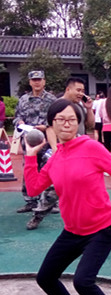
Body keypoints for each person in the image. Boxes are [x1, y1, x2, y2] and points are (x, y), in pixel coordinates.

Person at [23, 98, 111, 295]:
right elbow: (34, 188)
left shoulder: (92, 147)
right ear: (51, 124)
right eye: (60, 119)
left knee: (83, 281)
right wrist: (30, 156)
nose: (66, 124)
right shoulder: (54, 158)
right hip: (72, 231)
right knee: (45, 277)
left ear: (78, 123)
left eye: (71, 119)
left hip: (101, 230)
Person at [13, 70, 57, 230]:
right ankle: (30, 201)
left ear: (44, 81)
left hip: (46, 141)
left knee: (49, 171)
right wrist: (19, 122)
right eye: (34, 80)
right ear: (30, 82)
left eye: (39, 79)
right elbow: (17, 117)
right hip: (29, 142)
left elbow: (56, 119)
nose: (37, 82)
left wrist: (45, 127)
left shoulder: (52, 100)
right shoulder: (23, 100)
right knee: (28, 170)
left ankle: (50, 202)